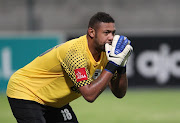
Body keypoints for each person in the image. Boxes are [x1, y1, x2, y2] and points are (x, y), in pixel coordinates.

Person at [6, 12, 133, 123]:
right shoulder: (75, 53)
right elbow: (89, 95)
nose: (111, 37)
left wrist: (121, 66)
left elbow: (119, 93)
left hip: (54, 101)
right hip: (26, 91)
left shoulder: (107, 53)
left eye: (113, 32)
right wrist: (114, 63)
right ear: (92, 32)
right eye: (106, 32)